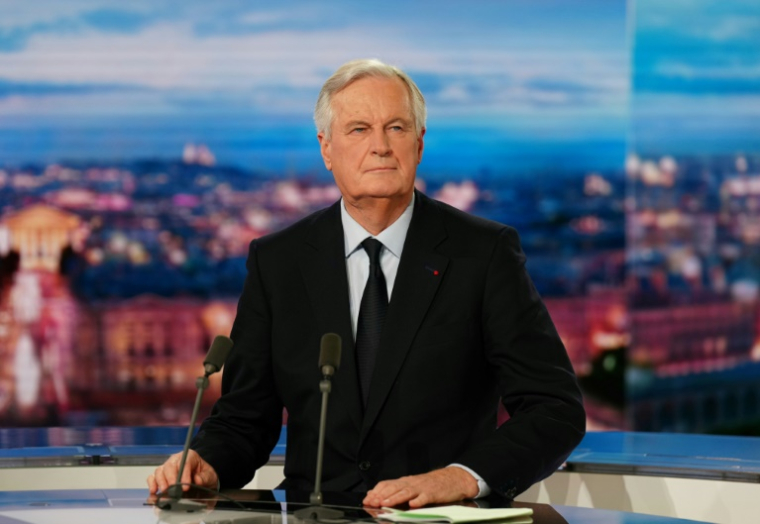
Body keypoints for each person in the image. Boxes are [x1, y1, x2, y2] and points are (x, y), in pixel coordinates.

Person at [148, 58, 585, 508]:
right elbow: (244, 418)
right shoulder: (279, 261)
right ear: (326, 149)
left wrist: (461, 478)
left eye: (396, 127)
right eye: (359, 129)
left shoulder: (484, 253)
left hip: (440, 519)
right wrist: (207, 462)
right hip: (313, 516)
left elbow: (554, 410)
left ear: (418, 144)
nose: (380, 146)